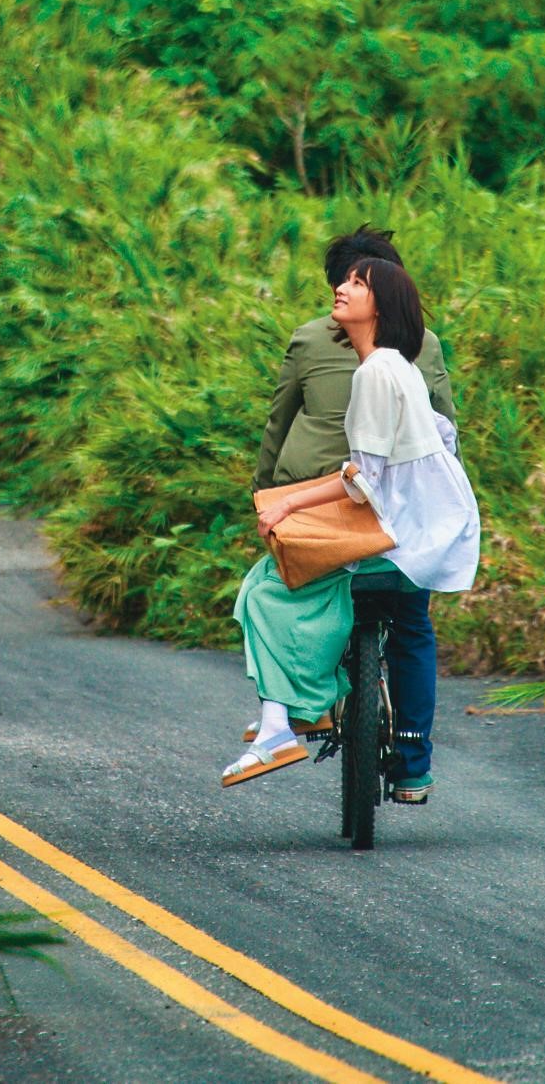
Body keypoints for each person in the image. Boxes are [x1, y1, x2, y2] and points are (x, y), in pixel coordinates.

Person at [222, 251, 480, 798]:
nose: (342, 288)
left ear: (381, 304)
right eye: (344, 279)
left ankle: (283, 723)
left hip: (392, 533)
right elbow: (443, 435)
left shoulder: (375, 371)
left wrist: (284, 504)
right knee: (402, 626)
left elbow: (363, 478)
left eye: (357, 283)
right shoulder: (402, 363)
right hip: (423, 527)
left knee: (265, 591)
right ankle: (321, 727)